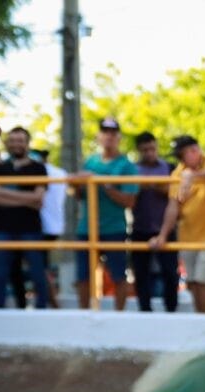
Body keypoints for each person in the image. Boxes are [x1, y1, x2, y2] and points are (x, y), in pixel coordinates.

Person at [150, 135, 205, 314]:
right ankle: (199, 318)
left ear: (196, 149)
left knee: (202, 280)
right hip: (188, 235)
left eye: (189, 151)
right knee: (191, 282)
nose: (186, 157)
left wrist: (194, 176)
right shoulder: (178, 173)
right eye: (182, 155)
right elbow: (173, 206)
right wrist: (163, 235)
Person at [70, 117, 138, 310]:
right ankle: (84, 314)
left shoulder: (126, 166)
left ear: (119, 137)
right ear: (99, 136)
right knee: (83, 276)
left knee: (118, 275)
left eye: (113, 133)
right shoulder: (90, 162)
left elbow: (129, 201)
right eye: (105, 132)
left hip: (114, 229)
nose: (108, 136)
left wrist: (101, 182)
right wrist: (76, 184)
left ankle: (119, 316)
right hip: (86, 228)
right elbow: (79, 196)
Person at [0, 126, 49, 309]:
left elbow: (38, 200)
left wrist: (3, 193)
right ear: (7, 143)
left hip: (31, 229)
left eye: (20, 140)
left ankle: (42, 312)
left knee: (38, 275)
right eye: (12, 141)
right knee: (0, 275)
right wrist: (26, 199)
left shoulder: (38, 168)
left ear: (27, 143)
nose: (16, 144)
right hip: (2, 229)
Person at [130, 132, 177, 312]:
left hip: (166, 228)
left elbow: (173, 191)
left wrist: (151, 184)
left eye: (152, 148)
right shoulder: (132, 169)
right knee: (141, 274)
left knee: (170, 273)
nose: (149, 153)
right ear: (139, 151)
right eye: (145, 150)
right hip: (140, 228)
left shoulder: (169, 167)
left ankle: (171, 310)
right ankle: (145, 310)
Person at [32, 146, 66, 308]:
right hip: (53, 227)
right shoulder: (60, 173)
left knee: (41, 268)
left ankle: (51, 302)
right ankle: (51, 301)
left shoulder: (41, 172)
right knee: (42, 267)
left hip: (42, 227)